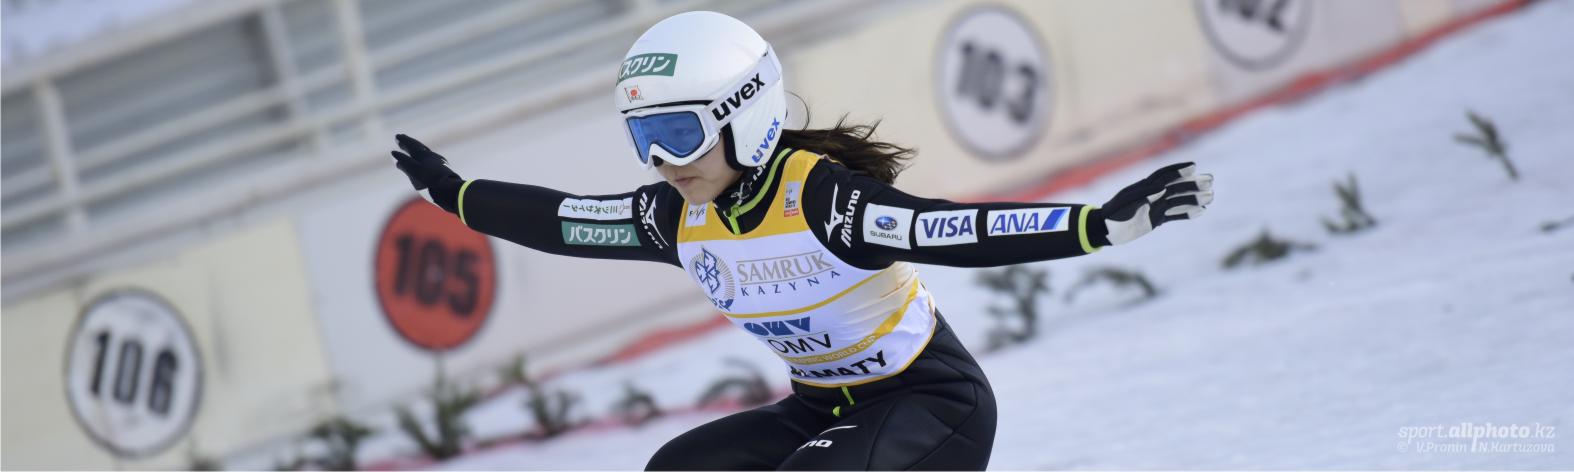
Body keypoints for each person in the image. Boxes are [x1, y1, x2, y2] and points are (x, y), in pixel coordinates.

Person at [391, 11, 1213, 471]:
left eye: (680, 133)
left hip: (931, 405)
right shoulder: (677, 215)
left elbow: (953, 229)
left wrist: (1097, 224)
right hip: (820, 410)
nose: (665, 162)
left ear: (743, 114)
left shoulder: (822, 198)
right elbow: (561, 220)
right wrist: (452, 192)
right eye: (645, 138)